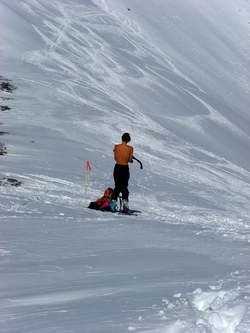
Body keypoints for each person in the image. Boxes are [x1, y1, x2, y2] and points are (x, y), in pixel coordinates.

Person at [111, 133, 133, 213]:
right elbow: (129, 160)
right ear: (129, 140)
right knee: (124, 186)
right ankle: (125, 203)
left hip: (117, 167)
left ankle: (113, 201)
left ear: (121, 138)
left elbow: (116, 158)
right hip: (124, 168)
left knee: (117, 186)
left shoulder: (116, 147)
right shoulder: (130, 148)